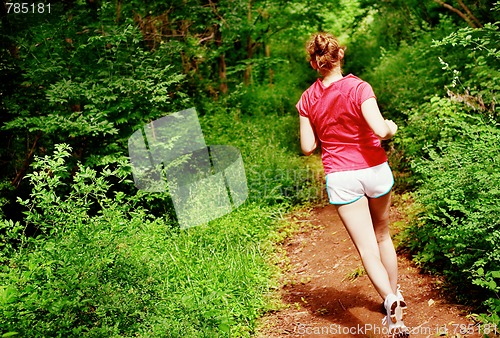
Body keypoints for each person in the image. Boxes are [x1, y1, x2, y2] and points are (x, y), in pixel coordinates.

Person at [296, 32, 409, 337]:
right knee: (383, 236)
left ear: (313, 62)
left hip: (341, 175)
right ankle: (395, 295)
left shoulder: (307, 99)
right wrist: (391, 128)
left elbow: (308, 147)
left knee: (366, 247)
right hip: (373, 168)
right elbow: (380, 130)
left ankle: (388, 301)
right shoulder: (359, 87)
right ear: (340, 54)